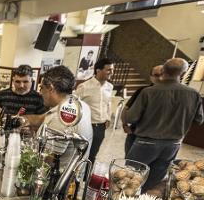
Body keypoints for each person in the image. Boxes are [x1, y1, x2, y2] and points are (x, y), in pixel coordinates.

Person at [125, 58, 203, 192]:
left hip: (145, 143)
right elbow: (199, 120)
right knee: (154, 180)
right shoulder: (193, 94)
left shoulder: (149, 92)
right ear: (183, 73)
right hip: (172, 145)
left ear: (163, 71)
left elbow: (131, 117)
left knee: (130, 179)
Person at [39, 65, 93, 165]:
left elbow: (47, 161)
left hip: (58, 178)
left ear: (50, 88)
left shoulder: (60, 117)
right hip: (77, 174)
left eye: (41, 88)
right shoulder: (81, 105)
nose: (40, 93)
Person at [75, 57, 114, 164]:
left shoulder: (109, 87)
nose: (111, 72)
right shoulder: (84, 86)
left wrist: (108, 117)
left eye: (112, 70)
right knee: (80, 155)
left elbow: (108, 103)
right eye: (109, 70)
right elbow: (75, 105)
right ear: (98, 70)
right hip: (86, 126)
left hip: (100, 128)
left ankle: (85, 179)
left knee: (92, 156)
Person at [120, 65, 163, 155]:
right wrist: (125, 124)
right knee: (131, 163)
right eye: (156, 75)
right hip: (137, 134)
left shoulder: (172, 92)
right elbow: (126, 108)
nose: (159, 78)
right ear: (151, 77)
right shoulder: (143, 91)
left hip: (160, 137)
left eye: (162, 74)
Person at [0, 64, 46, 131]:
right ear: (13, 81)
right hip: (3, 134)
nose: (21, 85)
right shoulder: (2, 95)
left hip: (26, 137)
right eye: (18, 82)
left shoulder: (39, 98)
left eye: (25, 82)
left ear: (31, 81)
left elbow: (43, 122)